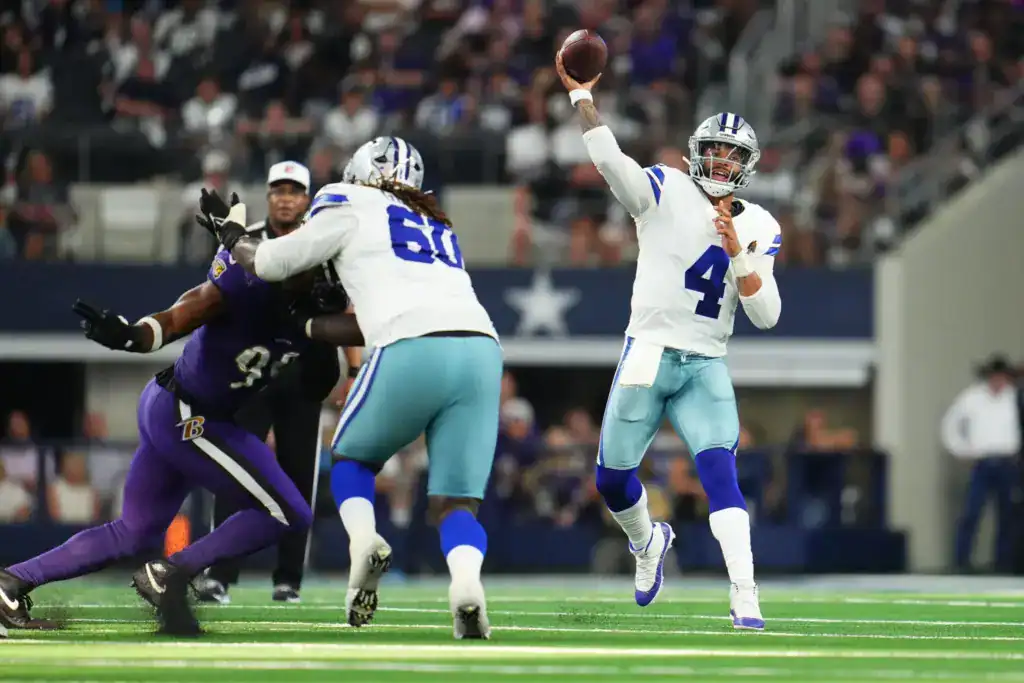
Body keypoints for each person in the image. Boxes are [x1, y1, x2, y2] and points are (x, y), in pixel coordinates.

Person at [0, 198, 361, 636]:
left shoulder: (312, 311)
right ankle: (172, 572)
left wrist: (324, 349)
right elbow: (180, 315)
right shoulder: (251, 281)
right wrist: (132, 335)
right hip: (191, 414)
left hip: (178, 408)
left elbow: (332, 360)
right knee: (288, 512)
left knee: (133, 532)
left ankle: (10, 582)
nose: (330, 278)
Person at [201, 136, 502, 640]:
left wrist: (232, 234)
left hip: (411, 345)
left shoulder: (348, 199)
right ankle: (467, 586)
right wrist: (311, 328)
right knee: (456, 502)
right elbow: (376, 319)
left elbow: (271, 263)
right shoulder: (436, 222)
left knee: (351, 460)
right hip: (481, 349)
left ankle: (363, 542)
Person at [555, 52, 781, 630]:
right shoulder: (664, 188)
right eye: (716, 152)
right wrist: (582, 97)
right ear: (696, 153)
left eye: (734, 157)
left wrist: (736, 253)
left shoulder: (757, 225)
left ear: (748, 167)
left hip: (705, 359)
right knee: (609, 478)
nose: (723, 164)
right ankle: (646, 541)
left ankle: (745, 593)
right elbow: (610, 162)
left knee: (720, 475)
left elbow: (766, 313)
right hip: (650, 349)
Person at [195, 161, 349, 605]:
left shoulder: (324, 239)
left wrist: (354, 370)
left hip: (305, 373)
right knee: (236, 474)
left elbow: (347, 310)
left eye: (294, 191)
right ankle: (219, 573)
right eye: (278, 190)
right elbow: (215, 297)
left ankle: (289, 579)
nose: (285, 198)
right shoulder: (243, 240)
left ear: (307, 198)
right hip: (253, 372)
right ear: (267, 196)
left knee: (300, 476)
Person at [942, 355, 1021, 572]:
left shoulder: (1014, 397)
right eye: (995, 376)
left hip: (1008, 462)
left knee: (1007, 516)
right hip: (983, 462)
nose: (998, 380)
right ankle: (962, 561)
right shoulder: (972, 397)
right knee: (971, 512)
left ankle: (1003, 563)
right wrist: (962, 449)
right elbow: (950, 425)